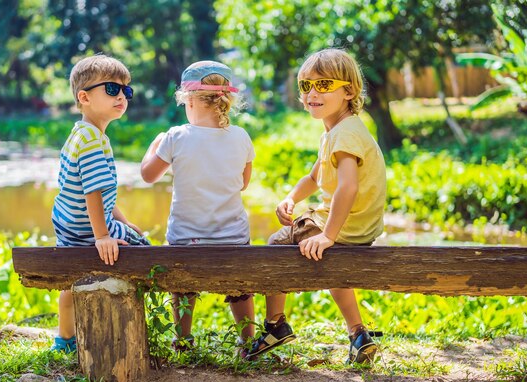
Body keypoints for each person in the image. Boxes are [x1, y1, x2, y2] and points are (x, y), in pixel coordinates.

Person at [246, 49, 386, 364]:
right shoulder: (338, 130)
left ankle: (276, 325)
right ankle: (358, 334)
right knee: (330, 268)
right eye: (305, 86)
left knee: (275, 245)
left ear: (349, 91)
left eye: (323, 85)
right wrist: (291, 198)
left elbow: (348, 186)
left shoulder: (345, 134)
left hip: (345, 226)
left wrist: (328, 235)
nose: (311, 93)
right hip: (355, 225)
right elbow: (314, 175)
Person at [140, 60, 255, 353]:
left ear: (189, 100)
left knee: (182, 286)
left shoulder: (176, 136)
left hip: (186, 242)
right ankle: (247, 340)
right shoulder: (241, 136)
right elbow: (243, 183)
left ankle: (183, 339)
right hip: (233, 241)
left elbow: (148, 175)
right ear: (226, 101)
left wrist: (155, 145)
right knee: (240, 285)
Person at [50, 55, 149, 353]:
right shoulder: (93, 139)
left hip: (68, 229)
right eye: (111, 89)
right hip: (87, 230)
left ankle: (64, 339)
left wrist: (122, 219)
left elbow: (100, 191)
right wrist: (103, 235)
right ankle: (132, 326)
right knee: (144, 248)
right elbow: (92, 191)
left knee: (70, 281)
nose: (121, 96)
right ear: (84, 97)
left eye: (125, 91)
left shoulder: (81, 133)